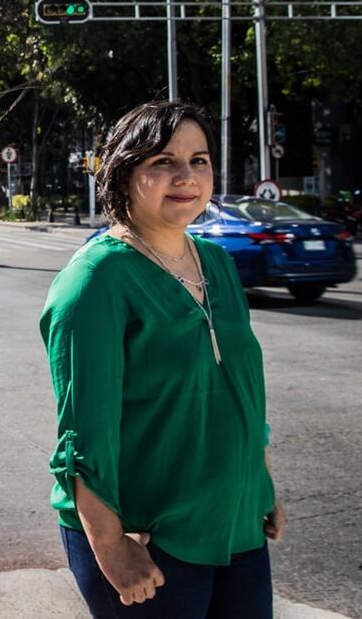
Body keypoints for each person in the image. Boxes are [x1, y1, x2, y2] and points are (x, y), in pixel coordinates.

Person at [40, 101, 287, 617]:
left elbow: (241, 388)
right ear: (123, 173)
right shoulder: (95, 281)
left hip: (236, 523)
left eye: (199, 160)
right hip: (150, 539)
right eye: (162, 162)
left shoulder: (217, 264)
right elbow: (83, 437)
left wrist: (259, 484)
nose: (186, 176)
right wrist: (110, 548)